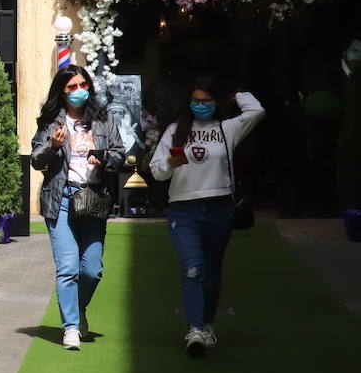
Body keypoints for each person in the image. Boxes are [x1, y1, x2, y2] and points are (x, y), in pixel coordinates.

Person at [149, 78, 265, 355]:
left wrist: (234, 92)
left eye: (206, 101)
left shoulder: (227, 129)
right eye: (195, 101)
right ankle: (195, 329)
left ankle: (206, 323)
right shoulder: (176, 130)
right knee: (193, 268)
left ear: (216, 102)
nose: (200, 106)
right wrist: (170, 163)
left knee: (211, 274)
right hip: (183, 208)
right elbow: (156, 171)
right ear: (188, 103)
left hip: (219, 208)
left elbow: (256, 111)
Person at [30, 65, 126, 350]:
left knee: (92, 270)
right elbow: (36, 159)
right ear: (62, 92)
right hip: (60, 199)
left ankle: (78, 307)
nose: (78, 91)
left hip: (93, 201)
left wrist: (105, 160)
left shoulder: (103, 119)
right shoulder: (52, 122)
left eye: (82, 85)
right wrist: (51, 146)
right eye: (71, 87)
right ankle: (70, 327)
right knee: (68, 267)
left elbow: (120, 155)